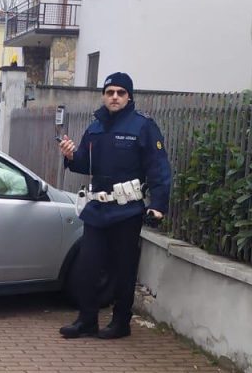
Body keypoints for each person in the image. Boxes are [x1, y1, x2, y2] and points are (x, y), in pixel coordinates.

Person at [57, 71, 170, 339]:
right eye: (110, 92)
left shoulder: (143, 126)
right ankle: (87, 321)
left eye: (120, 92)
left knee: (123, 269)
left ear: (129, 96)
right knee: (87, 266)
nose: (115, 97)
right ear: (104, 96)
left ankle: (121, 323)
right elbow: (85, 163)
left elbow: (159, 169)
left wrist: (159, 205)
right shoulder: (95, 127)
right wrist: (71, 156)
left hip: (127, 210)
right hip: (97, 210)